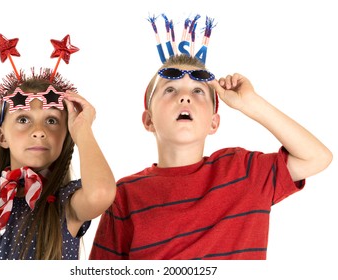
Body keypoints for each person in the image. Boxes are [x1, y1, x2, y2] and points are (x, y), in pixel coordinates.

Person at [89, 54, 332, 260]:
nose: (184, 97)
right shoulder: (125, 195)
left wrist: (250, 103)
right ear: (149, 120)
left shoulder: (244, 171)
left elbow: (316, 157)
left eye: (198, 91)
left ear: (214, 123)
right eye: (170, 89)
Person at [0, 70, 116, 259]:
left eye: (51, 120)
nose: (39, 131)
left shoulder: (67, 206)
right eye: (23, 119)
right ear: (3, 137)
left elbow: (101, 193)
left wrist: (82, 129)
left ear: (66, 136)